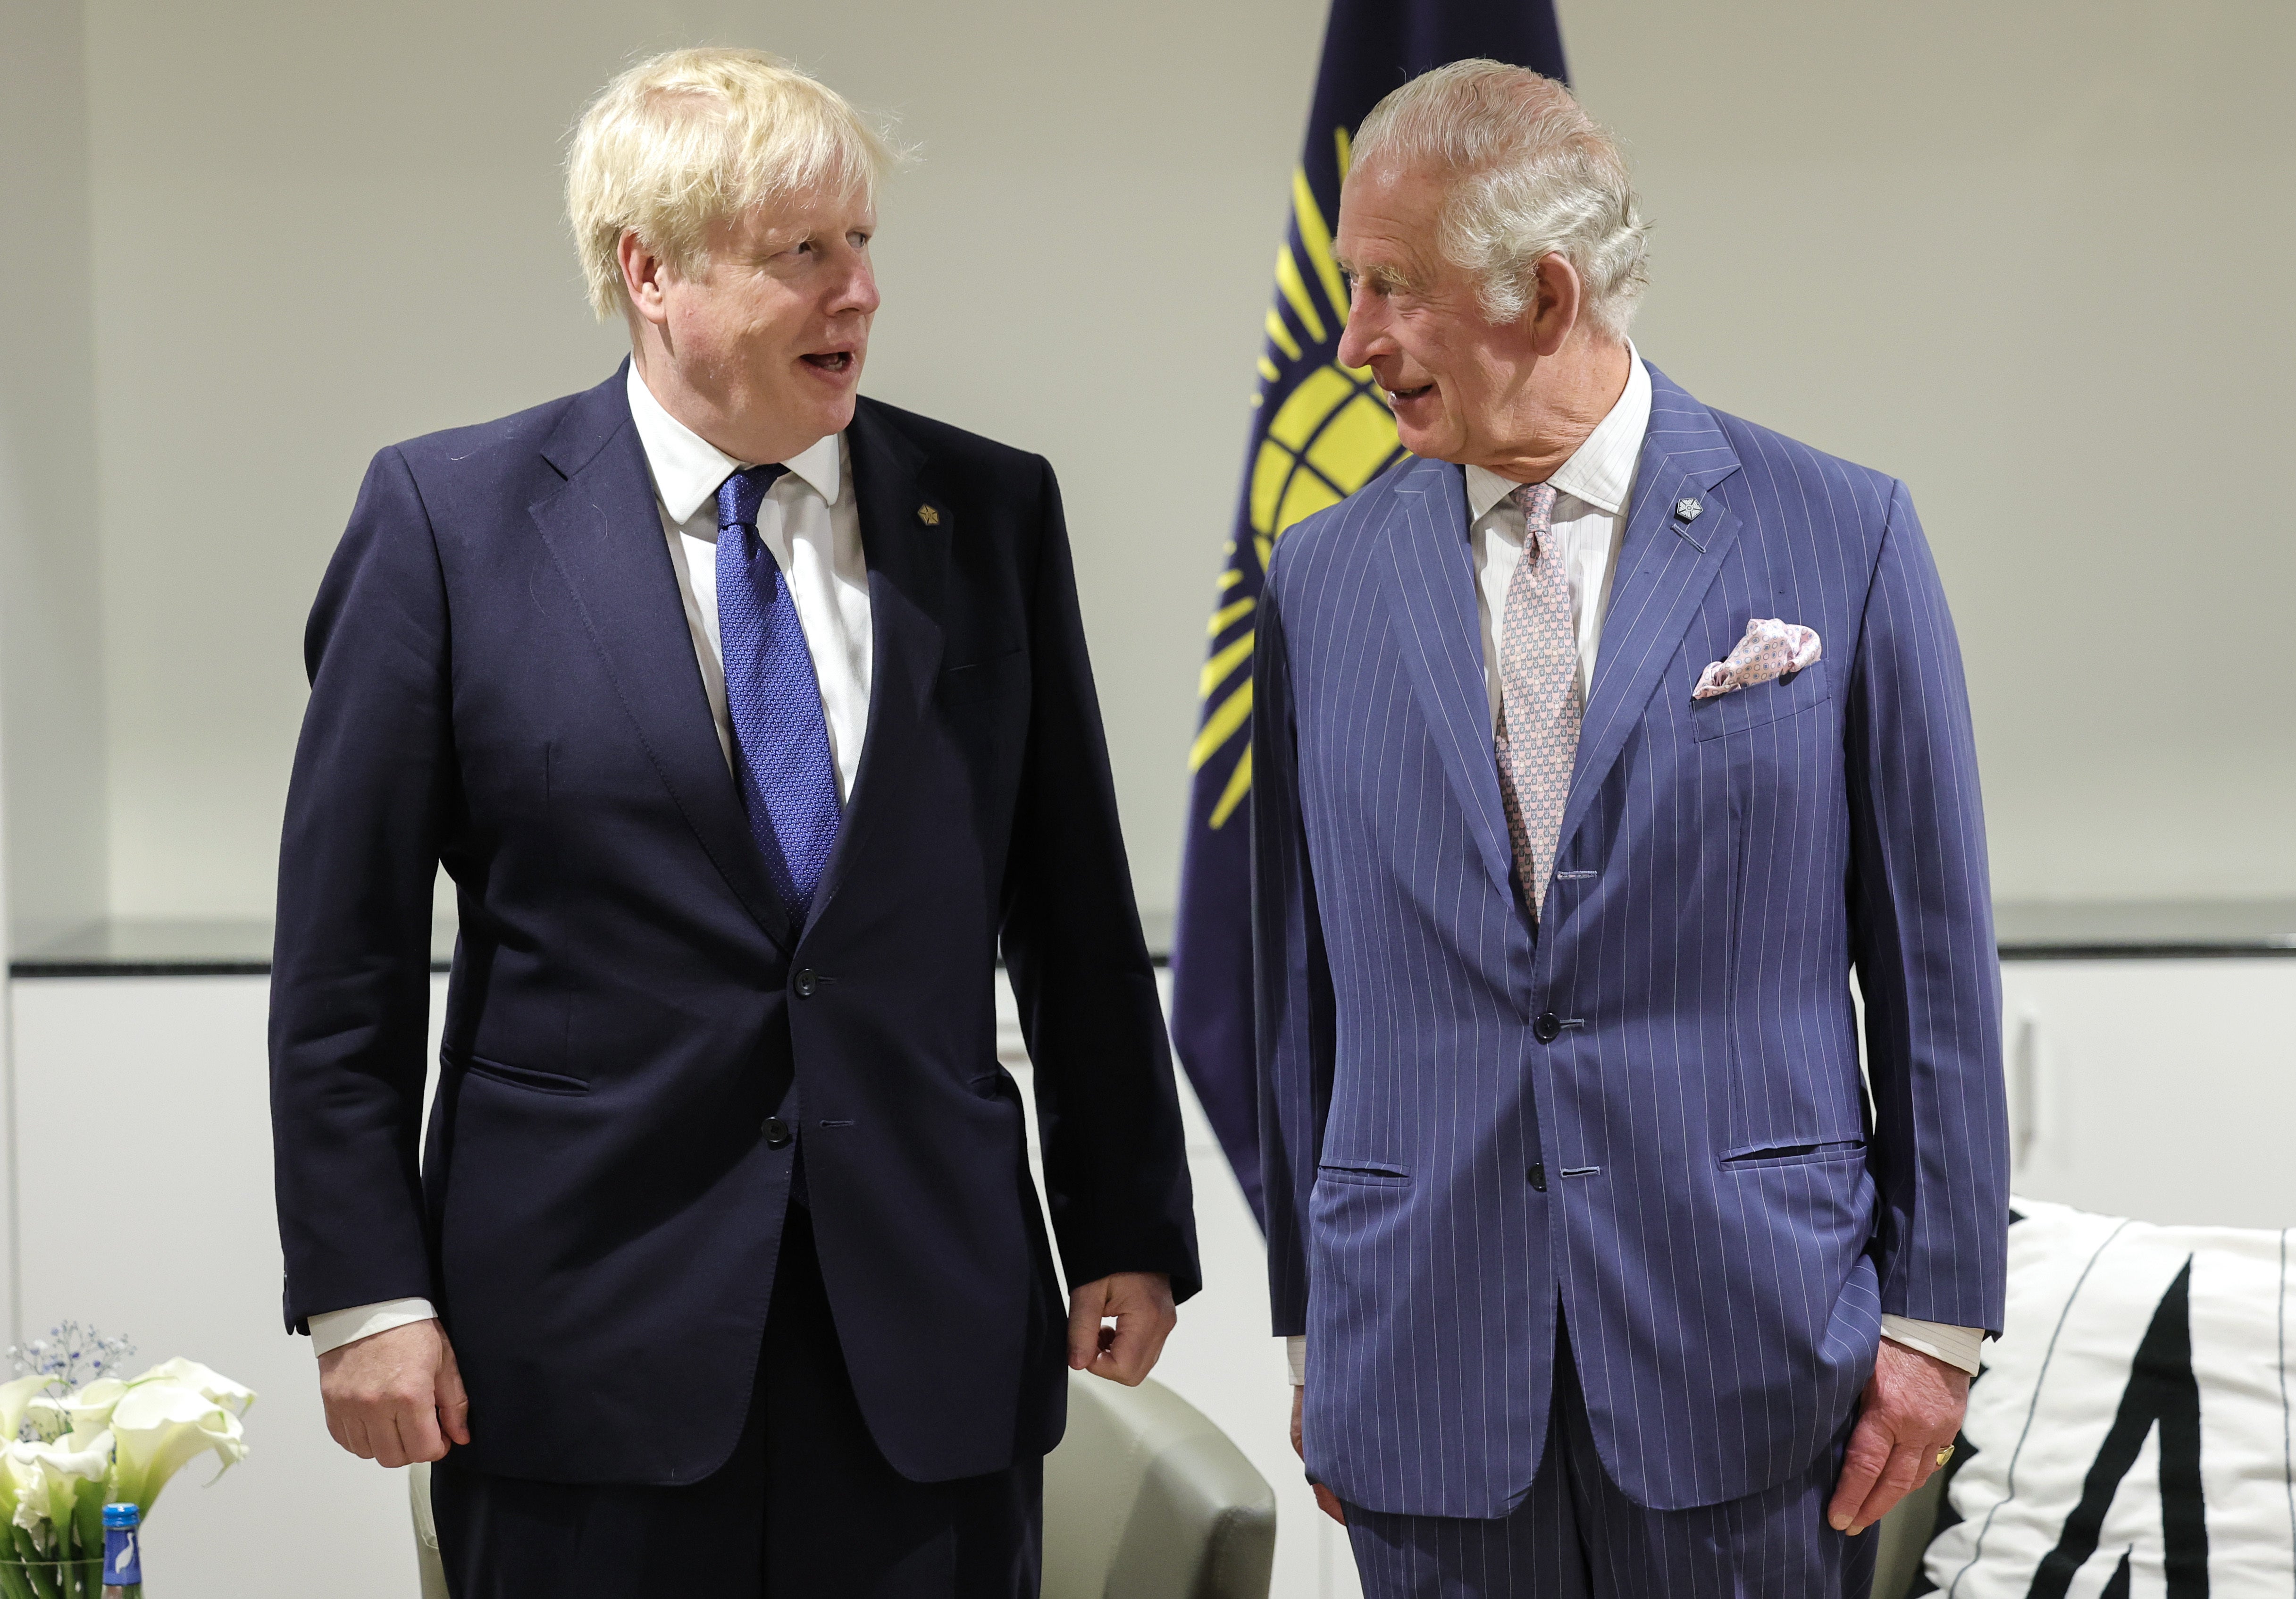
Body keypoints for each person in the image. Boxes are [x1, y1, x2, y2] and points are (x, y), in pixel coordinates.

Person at [268, 47, 1198, 1598]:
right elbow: (344, 957)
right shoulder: (448, 523)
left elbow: (1073, 908)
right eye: (804, 254)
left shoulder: (990, 515)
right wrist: (366, 1295)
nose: (862, 294)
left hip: (927, 1343)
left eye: (864, 244)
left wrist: (1126, 1216)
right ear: (650, 272)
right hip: (581, 1350)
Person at [1252, 60, 2008, 1596]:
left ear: (1540, 291)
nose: (1353, 344)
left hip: (1751, 1359)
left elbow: (1930, 961)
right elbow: (1297, 982)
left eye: (1389, 289)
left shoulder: (1839, 535)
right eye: (1351, 287)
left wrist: (1935, 1327)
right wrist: (1311, 1315)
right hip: (1424, 1363)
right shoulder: (1319, 577)